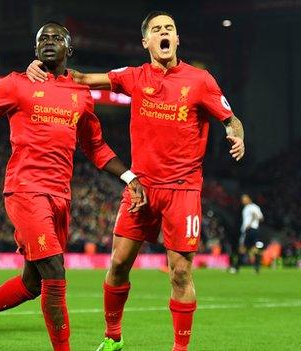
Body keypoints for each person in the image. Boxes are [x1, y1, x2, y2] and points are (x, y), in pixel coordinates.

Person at [26, 10, 246, 351]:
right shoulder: (133, 77)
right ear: (146, 42)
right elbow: (82, 79)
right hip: (141, 188)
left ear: (176, 39)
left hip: (183, 190)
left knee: (180, 273)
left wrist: (236, 135)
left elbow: (231, 118)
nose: (164, 33)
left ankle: (180, 348)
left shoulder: (200, 81)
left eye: (169, 28)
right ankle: (113, 337)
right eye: (157, 29)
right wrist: (39, 68)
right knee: (117, 265)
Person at [0, 22, 146, 351]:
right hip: (25, 191)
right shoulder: (16, 84)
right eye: (43, 38)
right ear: (35, 49)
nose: (49, 42)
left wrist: (129, 177)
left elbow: (95, 146)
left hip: (60, 197)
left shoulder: (81, 95)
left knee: (33, 283)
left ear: (70, 49)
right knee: (55, 272)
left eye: (57, 38)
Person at [235, 194, 264, 273]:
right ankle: (256, 268)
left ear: (249, 199)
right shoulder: (247, 208)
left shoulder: (253, 207)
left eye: (244, 199)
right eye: (242, 199)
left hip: (252, 230)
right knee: (251, 248)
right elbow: (261, 217)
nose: (243, 201)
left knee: (244, 248)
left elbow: (260, 217)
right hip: (249, 230)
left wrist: (250, 223)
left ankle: (237, 268)